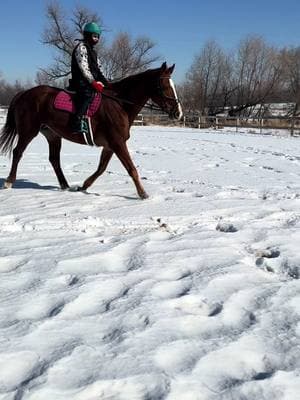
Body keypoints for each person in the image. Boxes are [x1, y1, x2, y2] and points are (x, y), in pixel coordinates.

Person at [70, 22, 109, 133]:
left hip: (90, 82)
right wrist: (93, 83)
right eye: (94, 36)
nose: (96, 39)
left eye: (97, 36)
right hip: (81, 82)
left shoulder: (94, 52)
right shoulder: (81, 48)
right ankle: (76, 122)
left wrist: (107, 83)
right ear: (87, 35)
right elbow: (84, 68)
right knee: (87, 95)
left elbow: (99, 69)